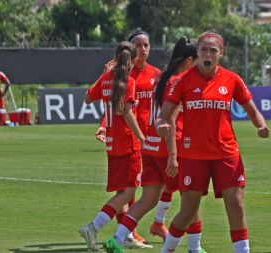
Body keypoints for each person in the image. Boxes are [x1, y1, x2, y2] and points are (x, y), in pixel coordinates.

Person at [156, 29, 269, 253]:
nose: (208, 54)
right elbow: (163, 115)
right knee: (188, 212)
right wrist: (161, 125)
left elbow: (253, 111)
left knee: (236, 207)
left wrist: (261, 125)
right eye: (204, 49)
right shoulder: (182, 80)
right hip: (193, 155)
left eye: (213, 50)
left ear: (221, 53)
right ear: (197, 52)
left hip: (226, 153)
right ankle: (167, 250)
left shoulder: (232, 79)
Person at [102, 36, 207, 253]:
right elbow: (169, 120)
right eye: (197, 61)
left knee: (147, 199)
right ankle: (195, 249)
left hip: (149, 147)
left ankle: (117, 239)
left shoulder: (159, 77)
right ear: (189, 61)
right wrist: (172, 155)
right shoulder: (179, 81)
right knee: (192, 196)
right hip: (168, 148)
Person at [79, 41, 150, 251]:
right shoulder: (129, 81)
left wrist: (103, 74)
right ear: (134, 59)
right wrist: (143, 138)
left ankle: (125, 235)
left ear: (115, 58)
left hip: (112, 146)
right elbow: (127, 112)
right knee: (128, 194)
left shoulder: (105, 79)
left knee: (122, 191)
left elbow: (87, 98)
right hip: (129, 143)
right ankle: (93, 227)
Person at [95, 30, 162, 244]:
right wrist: (105, 126)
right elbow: (114, 107)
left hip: (150, 136)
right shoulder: (124, 75)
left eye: (146, 45)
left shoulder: (156, 74)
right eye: (139, 45)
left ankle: (147, 226)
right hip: (131, 136)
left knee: (149, 184)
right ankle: (127, 233)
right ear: (132, 51)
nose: (143, 49)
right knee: (128, 187)